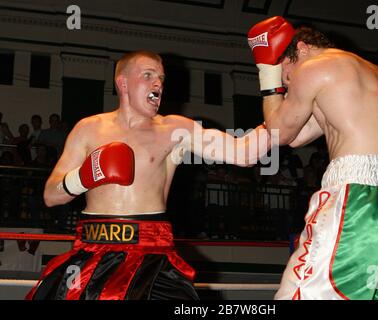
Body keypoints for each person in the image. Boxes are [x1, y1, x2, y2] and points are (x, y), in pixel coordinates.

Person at [26, 50, 269, 300]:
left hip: (151, 254)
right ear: (122, 83)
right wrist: (84, 177)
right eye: (148, 75)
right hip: (91, 250)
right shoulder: (88, 128)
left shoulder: (174, 129)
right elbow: (51, 196)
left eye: (161, 78)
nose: (158, 83)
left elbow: (245, 154)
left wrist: (275, 89)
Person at [248, 16, 378, 300]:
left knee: (302, 293)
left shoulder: (311, 68)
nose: (287, 89)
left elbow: (280, 133)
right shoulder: (373, 71)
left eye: (286, 77)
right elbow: (297, 135)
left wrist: (267, 75)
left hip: (356, 196)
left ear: (300, 49)